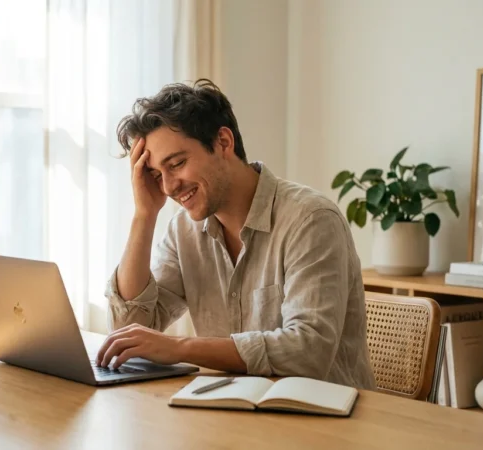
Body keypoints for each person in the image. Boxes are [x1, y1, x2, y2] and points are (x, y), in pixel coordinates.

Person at [94, 79, 376, 390]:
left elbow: (308, 351)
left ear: (224, 143)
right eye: (157, 174)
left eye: (177, 164)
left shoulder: (310, 220)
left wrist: (178, 348)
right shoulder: (183, 231)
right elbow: (127, 331)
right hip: (230, 415)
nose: (168, 187)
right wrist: (144, 216)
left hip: (324, 422)